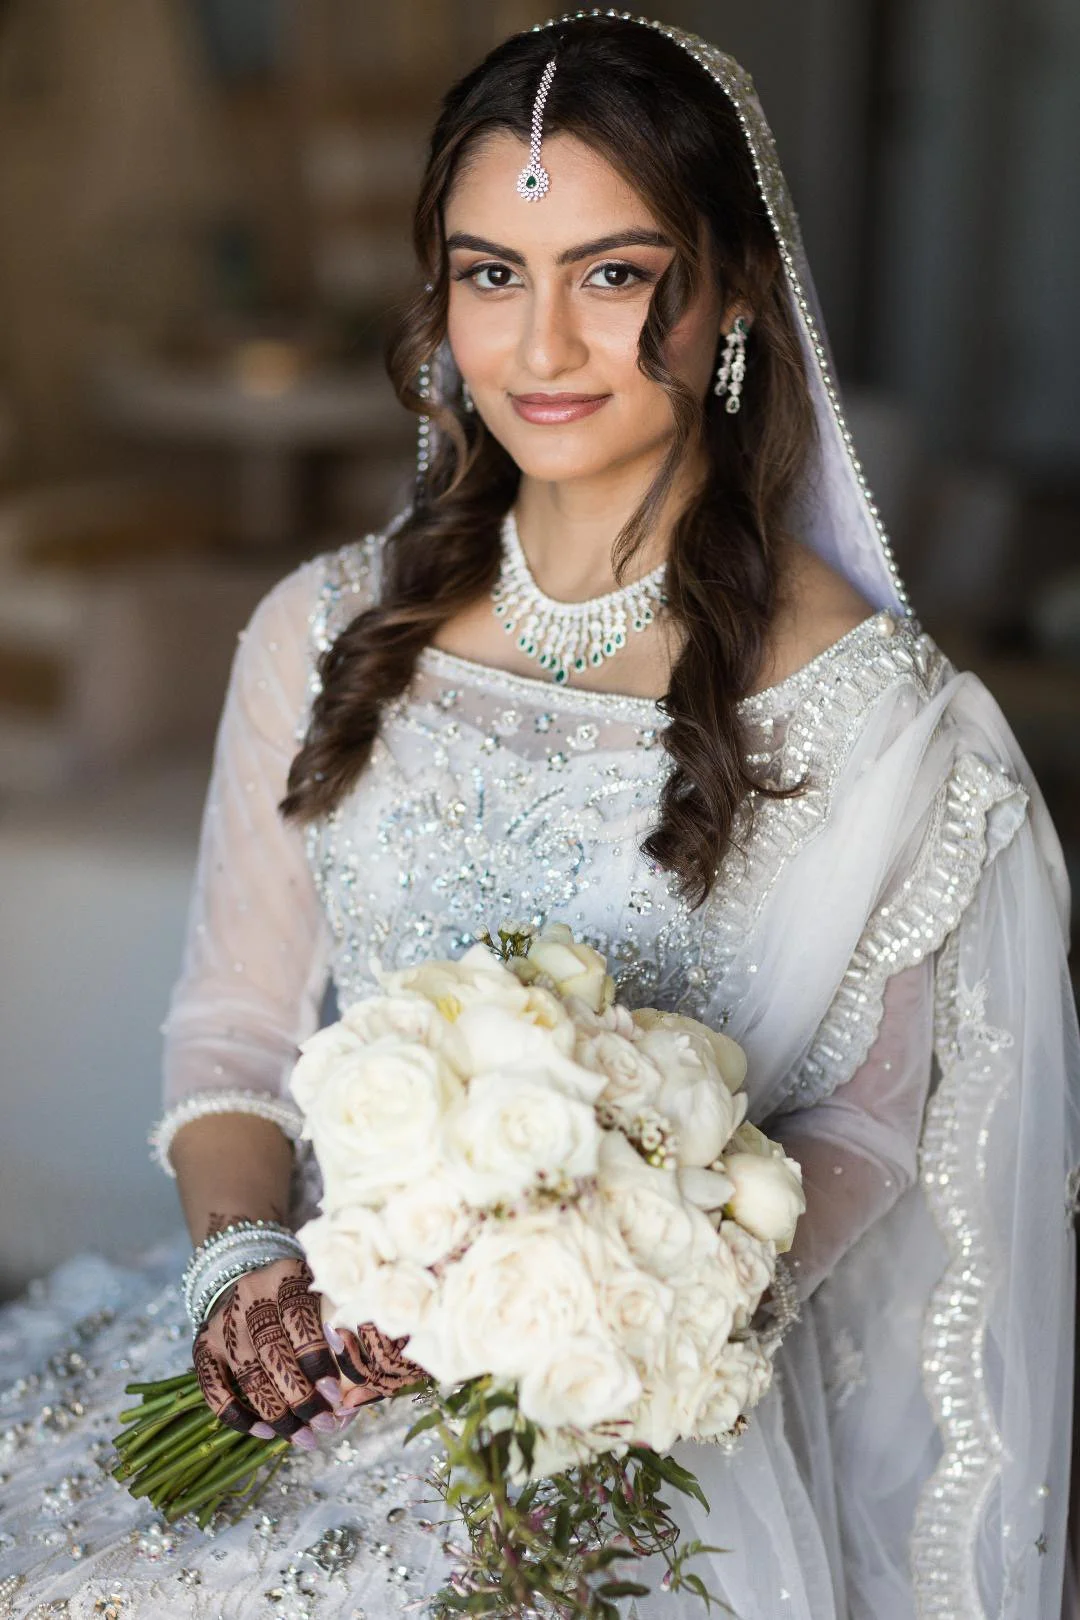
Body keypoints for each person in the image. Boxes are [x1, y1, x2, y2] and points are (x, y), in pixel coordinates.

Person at [0, 15, 1076, 1619]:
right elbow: (233, 1031)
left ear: (725, 300)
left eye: (614, 273)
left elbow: (857, 1125)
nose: (545, 345)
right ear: (438, 303)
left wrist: (597, 1316)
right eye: (493, 272)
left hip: (631, 1433)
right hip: (310, 1370)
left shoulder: (885, 717)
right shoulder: (323, 632)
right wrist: (244, 1270)